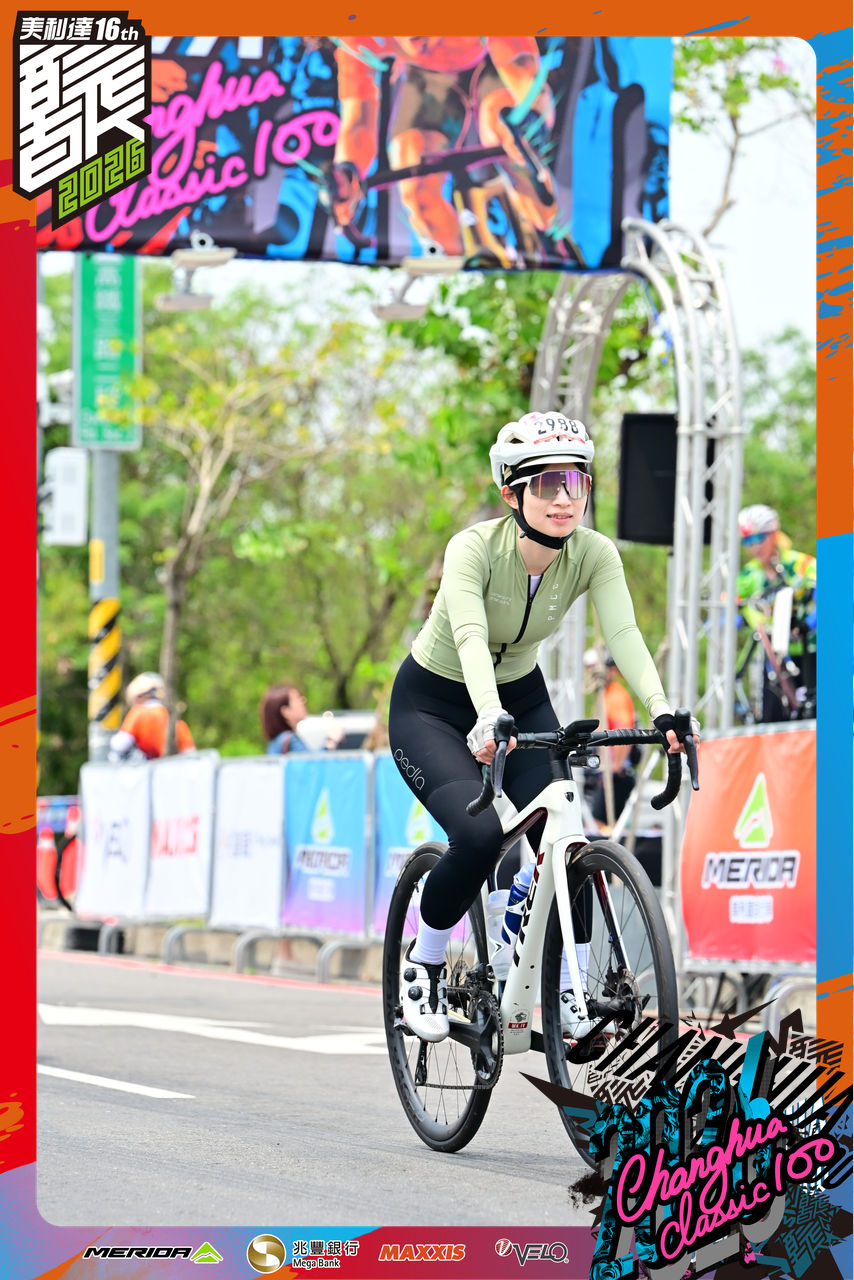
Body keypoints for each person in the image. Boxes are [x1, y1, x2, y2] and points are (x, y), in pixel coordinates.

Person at [388, 410, 698, 1043]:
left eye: (575, 482)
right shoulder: (473, 549)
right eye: (547, 483)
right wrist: (485, 714)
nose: (564, 498)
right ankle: (424, 960)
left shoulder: (594, 554)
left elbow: (625, 633)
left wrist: (661, 709)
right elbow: (470, 635)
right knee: (478, 837)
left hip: (521, 697)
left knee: (566, 831)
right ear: (512, 493)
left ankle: (565, 985)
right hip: (434, 704)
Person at [326, 37, 557, 258]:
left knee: (503, 132)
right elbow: (357, 122)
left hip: (491, 63)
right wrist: (347, 174)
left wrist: (528, 121)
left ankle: (549, 227)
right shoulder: (356, 29)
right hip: (429, 79)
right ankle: (462, 265)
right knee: (417, 194)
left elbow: (525, 76)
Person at [736, 504, 816, 722]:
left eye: (758, 538)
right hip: (775, 660)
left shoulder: (800, 564)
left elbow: (830, 594)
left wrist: (810, 623)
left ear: (773, 534)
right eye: (747, 541)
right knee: (773, 717)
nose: (754, 547)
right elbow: (731, 610)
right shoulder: (748, 575)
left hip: (812, 652)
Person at [584, 649, 638, 831]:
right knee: (600, 823)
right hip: (607, 772)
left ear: (611, 670)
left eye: (595, 667)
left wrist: (615, 768)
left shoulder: (616, 696)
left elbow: (625, 732)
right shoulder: (605, 696)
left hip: (616, 774)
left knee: (603, 824)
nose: (591, 672)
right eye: (589, 668)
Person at [109, 673, 195, 760]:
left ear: (138, 696)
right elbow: (190, 753)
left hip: (150, 766)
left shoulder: (138, 713)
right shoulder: (174, 719)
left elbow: (120, 745)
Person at [260, 683, 343, 754]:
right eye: (298, 699)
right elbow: (313, 763)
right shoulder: (290, 741)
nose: (303, 701)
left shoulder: (276, 742)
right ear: (286, 711)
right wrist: (331, 741)